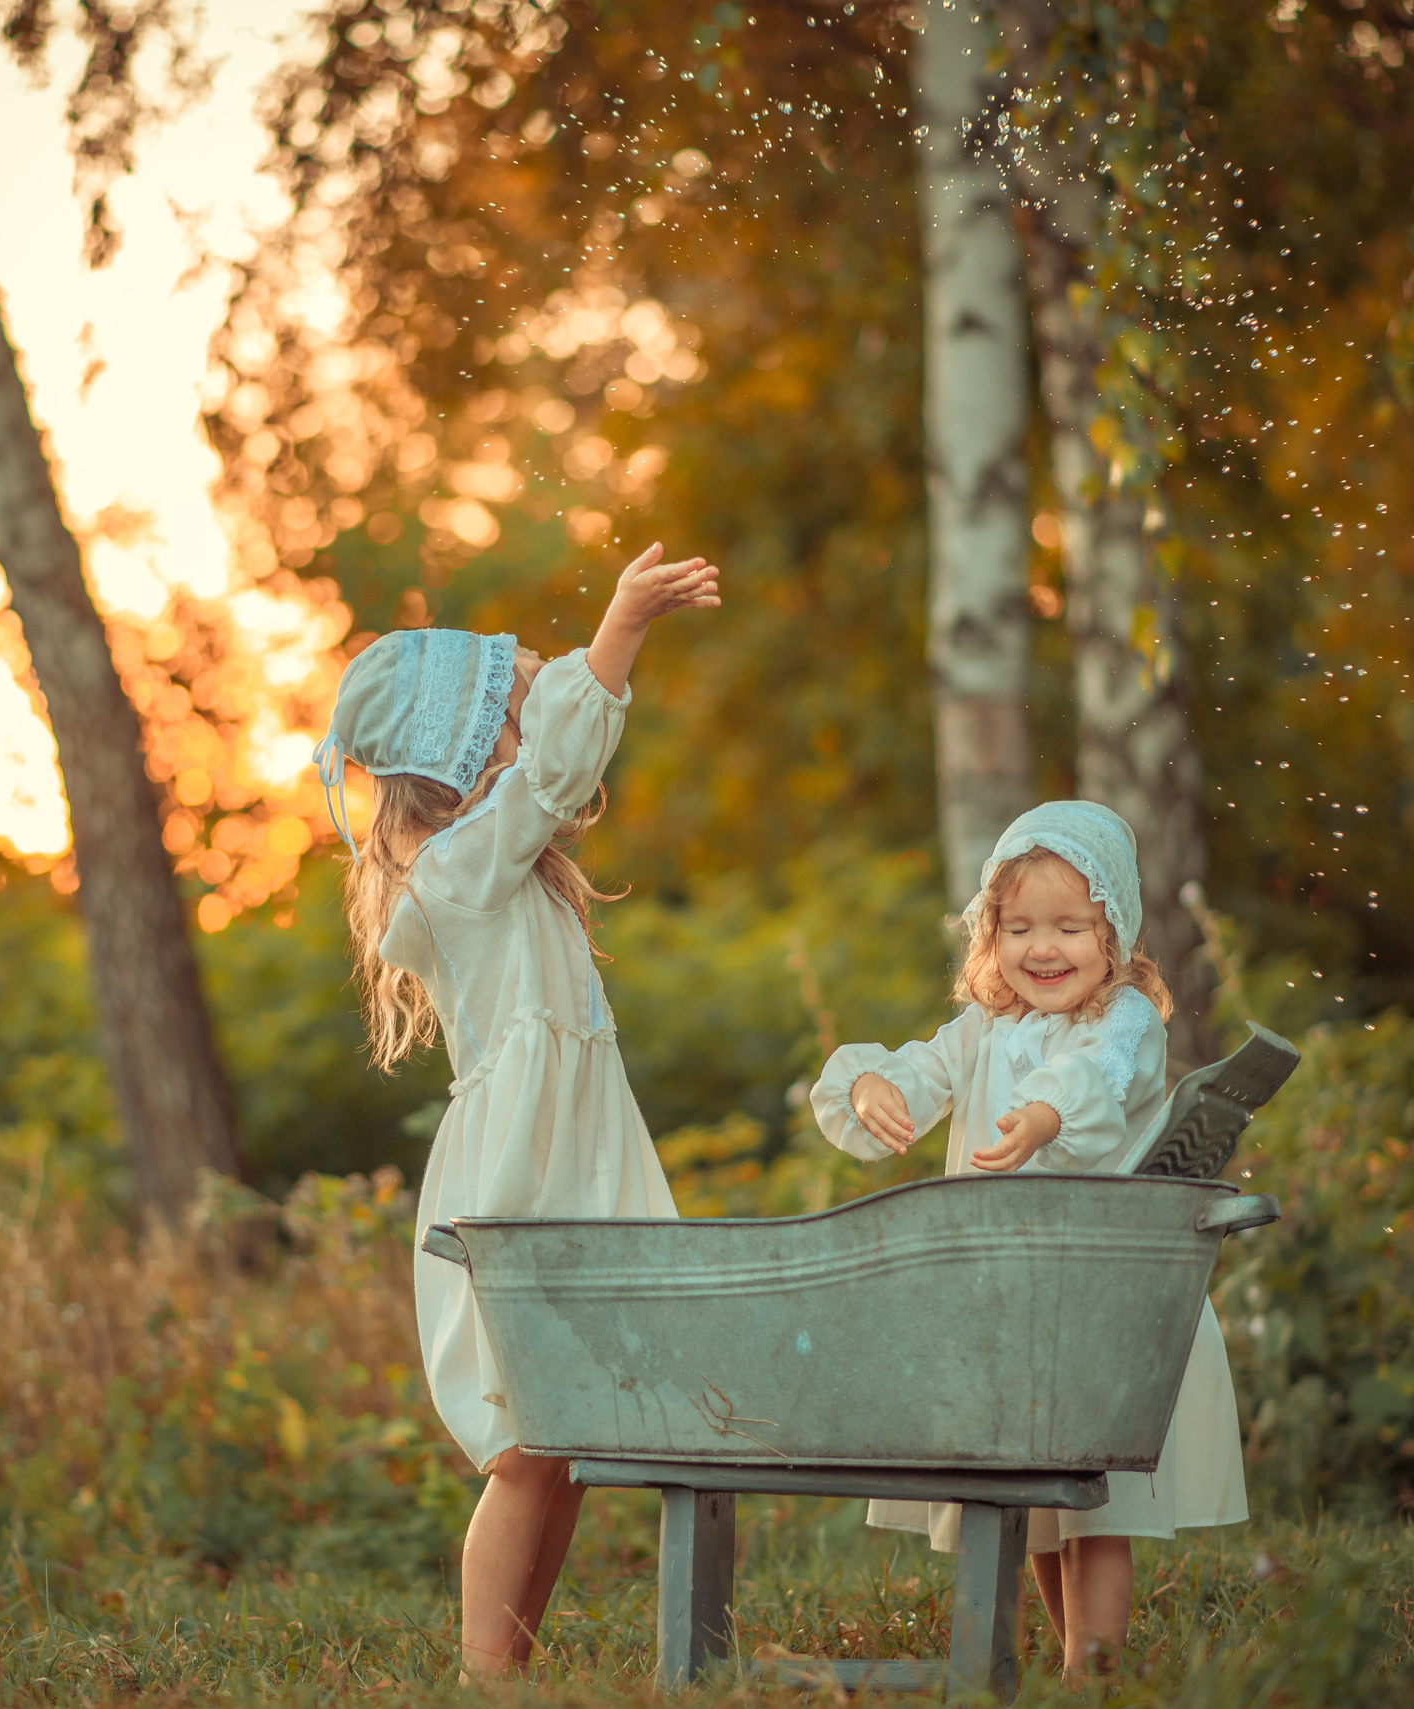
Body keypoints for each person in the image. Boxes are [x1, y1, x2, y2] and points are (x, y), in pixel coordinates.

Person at [315, 544, 719, 1678]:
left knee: (564, 1441)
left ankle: (511, 1663)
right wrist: (622, 625)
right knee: (528, 1442)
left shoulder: (492, 863)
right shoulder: (458, 868)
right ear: (462, 755)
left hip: (565, 1163)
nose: (529, 712)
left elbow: (546, 764)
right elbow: (553, 768)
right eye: (508, 706)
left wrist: (549, 677)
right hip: (520, 1181)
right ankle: (484, 1673)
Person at [806, 801, 1249, 1678]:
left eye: (1070, 927)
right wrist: (871, 1087)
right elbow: (921, 1067)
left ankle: (1098, 1665)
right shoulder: (981, 1030)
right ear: (990, 934)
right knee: (1030, 1501)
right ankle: (1065, 1648)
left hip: (1095, 1296)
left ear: (1113, 933)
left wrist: (1044, 1116)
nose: (1043, 949)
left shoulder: (1122, 1022)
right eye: (1019, 928)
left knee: (1098, 1501)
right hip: (1001, 1300)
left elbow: (1090, 1081)